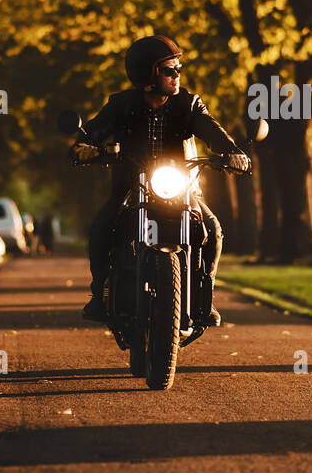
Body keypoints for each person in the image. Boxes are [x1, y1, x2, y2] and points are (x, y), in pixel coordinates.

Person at [70, 35, 249, 330]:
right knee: (102, 226)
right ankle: (98, 294)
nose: (177, 75)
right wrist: (82, 148)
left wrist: (233, 153)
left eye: (178, 68)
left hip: (183, 191)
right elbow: (90, 132)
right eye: (169, 70)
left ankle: (205, 298)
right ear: (148, 75)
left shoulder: (189, 104)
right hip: (131, 188)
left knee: (212, 229)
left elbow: (212, 131)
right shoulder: (120, 104)